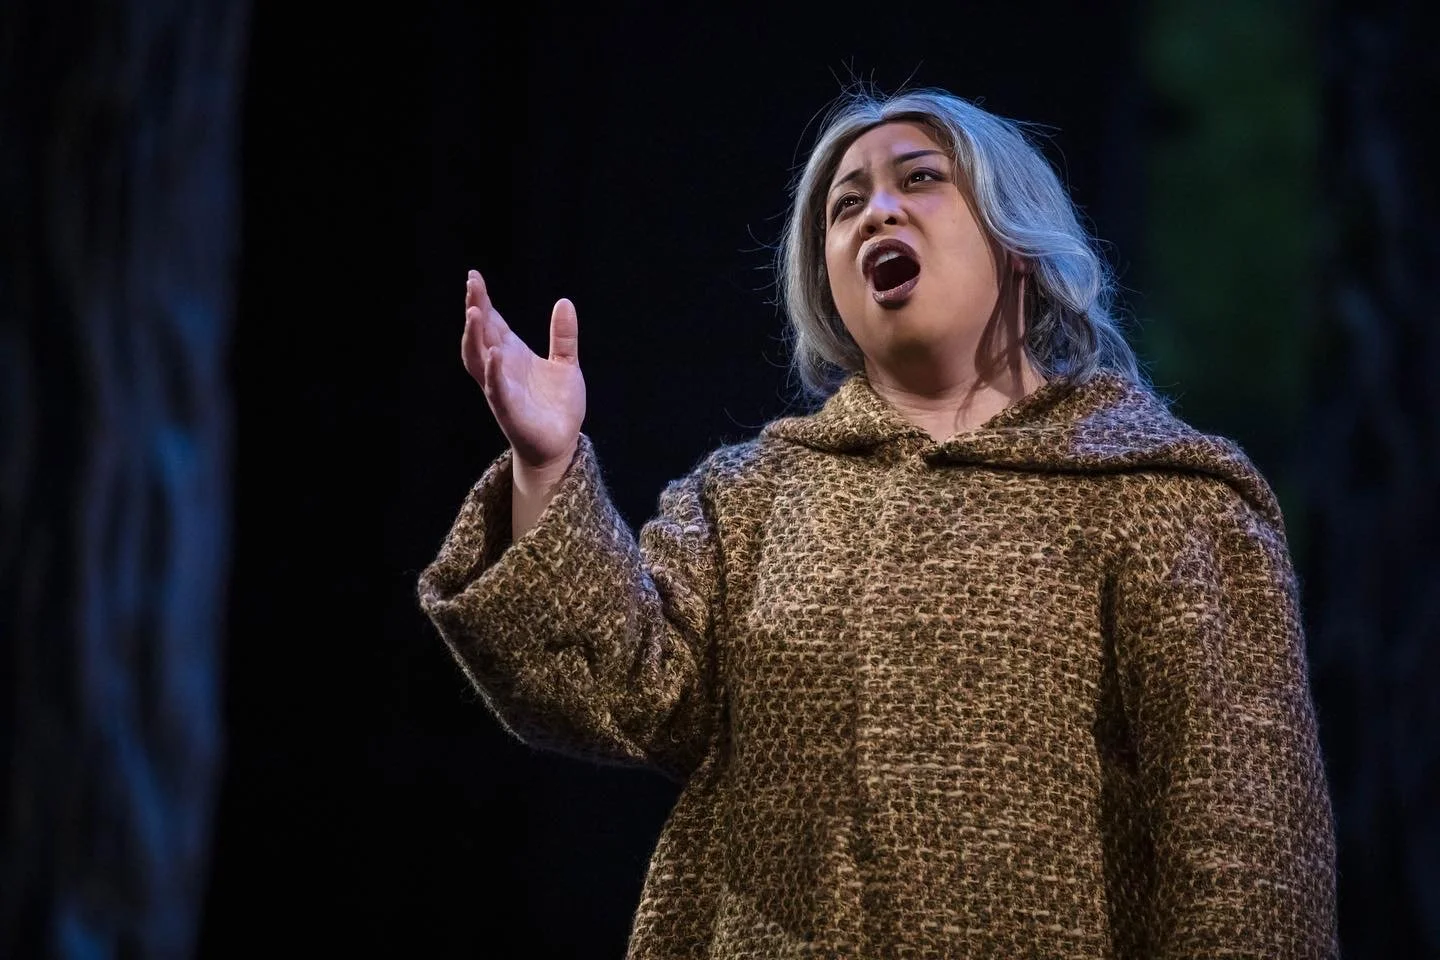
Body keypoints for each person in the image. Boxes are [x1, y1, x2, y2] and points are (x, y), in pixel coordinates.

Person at [417, 85, 1339, 959]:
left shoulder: (1164, 498)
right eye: (845, 206)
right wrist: (547, 465)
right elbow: (608, 691)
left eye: (920, 178)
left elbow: (1248, 854)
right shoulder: (751, 499)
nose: (877, 213)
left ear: (1016, 238)